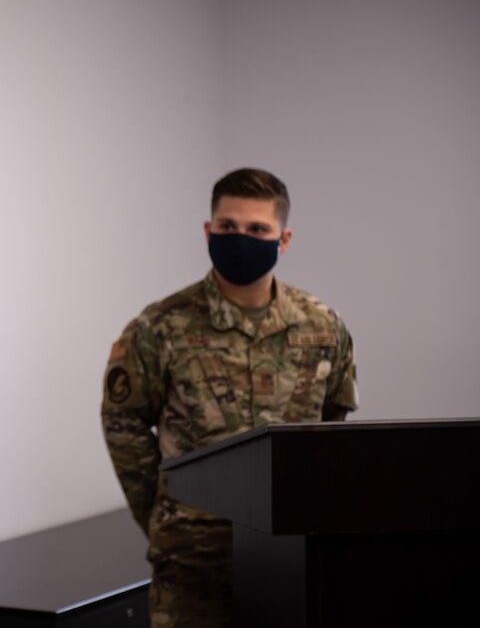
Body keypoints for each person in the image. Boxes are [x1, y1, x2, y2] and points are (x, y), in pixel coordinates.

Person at [101, 168, 357, 627]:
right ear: (208, 230)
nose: (241, 238)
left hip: (294, 560)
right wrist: (164, 512)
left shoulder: (323, 327)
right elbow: (124, 424)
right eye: (228, 227)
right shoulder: (159, 327)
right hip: (191, 567)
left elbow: (331, 427)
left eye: (258, 229)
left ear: (284, 238)